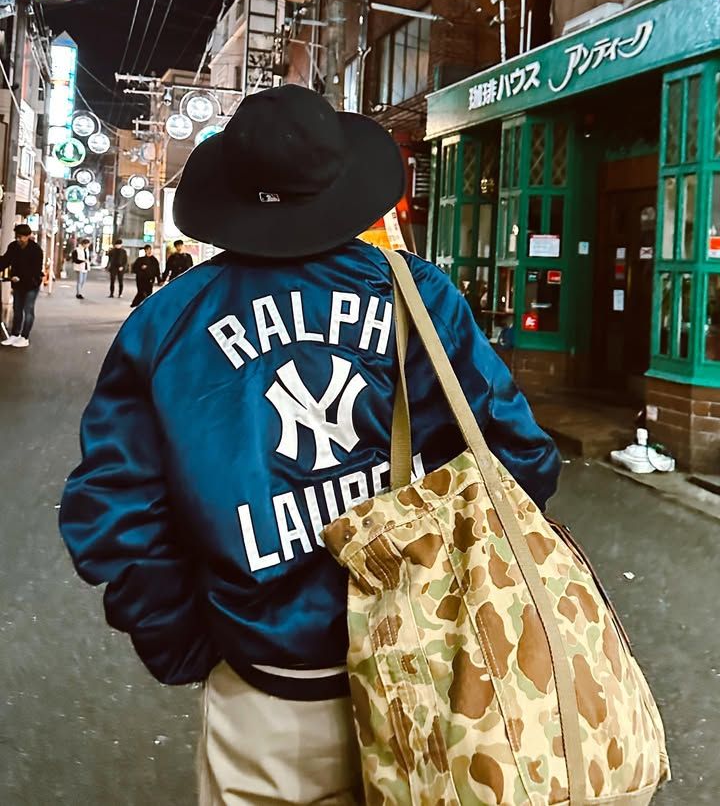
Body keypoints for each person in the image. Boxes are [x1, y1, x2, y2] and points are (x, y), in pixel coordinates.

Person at [59, 86, 560, 806]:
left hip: (268, 692)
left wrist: (191, 642)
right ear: (338, 185)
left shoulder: (168, 323)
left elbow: (115, 510)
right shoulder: (418, 296)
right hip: (433, 681)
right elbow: (518, 459)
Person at [0, 224, 43, 349]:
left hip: (32, 284)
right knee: (17, 309)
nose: (19, 239)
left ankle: (25, 337)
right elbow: (5, 261)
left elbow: (36, 270)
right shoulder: (13, 246)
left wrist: (21, 277)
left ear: (28, 236)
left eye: (21, 237)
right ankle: (15, 334)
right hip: (18, 284)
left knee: (28, 310)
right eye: (17, 237)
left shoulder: (36, 250)